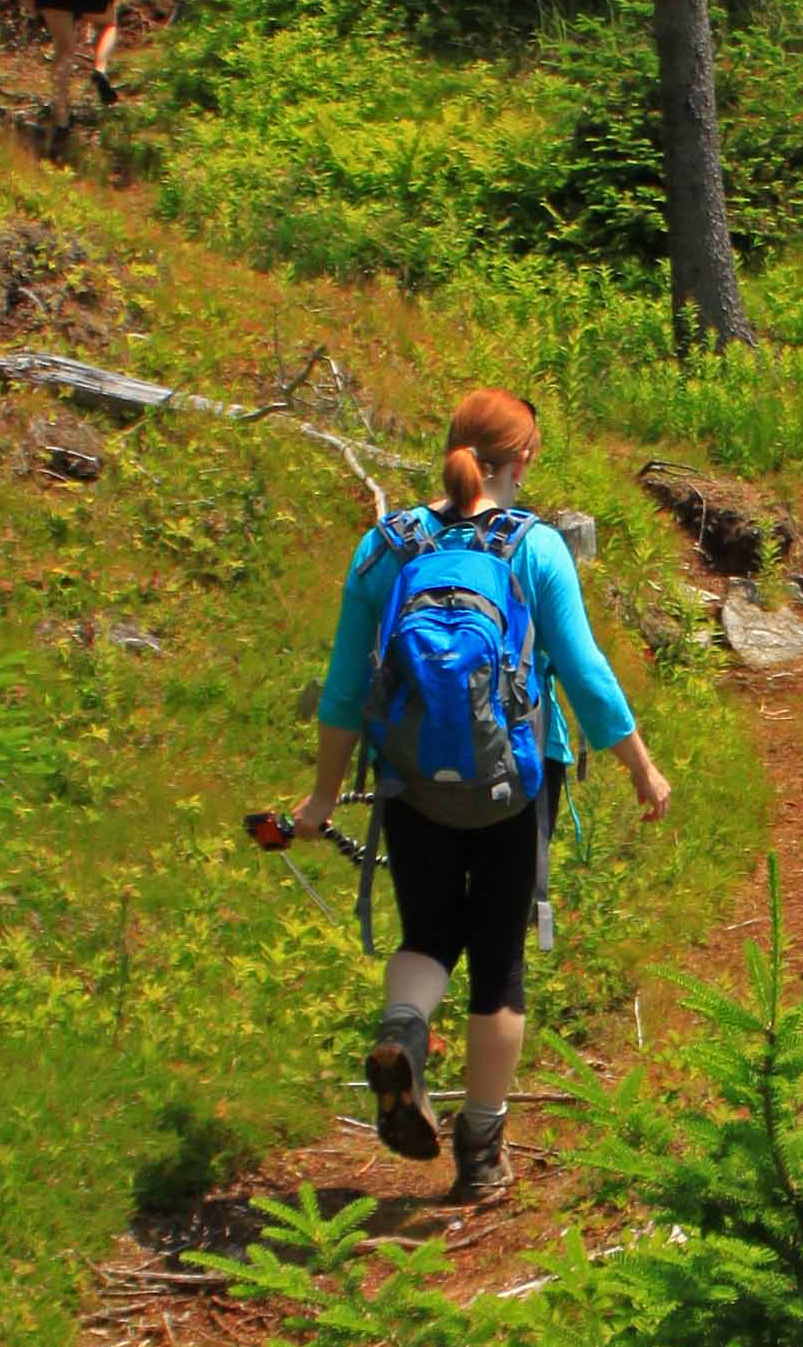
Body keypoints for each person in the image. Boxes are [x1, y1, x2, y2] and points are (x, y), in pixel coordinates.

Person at [284, 386, 672, 1210]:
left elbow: (345, 688)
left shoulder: (385, 545)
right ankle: (482, 1154)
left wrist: (321, 798)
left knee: (428, 930)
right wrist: (642, 769)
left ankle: (402, 1034)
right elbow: (585, 674)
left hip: (411, 779)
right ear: (522, 460)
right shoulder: (533, 548)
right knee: (498, 965)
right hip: (516, 782)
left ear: (451, 446)